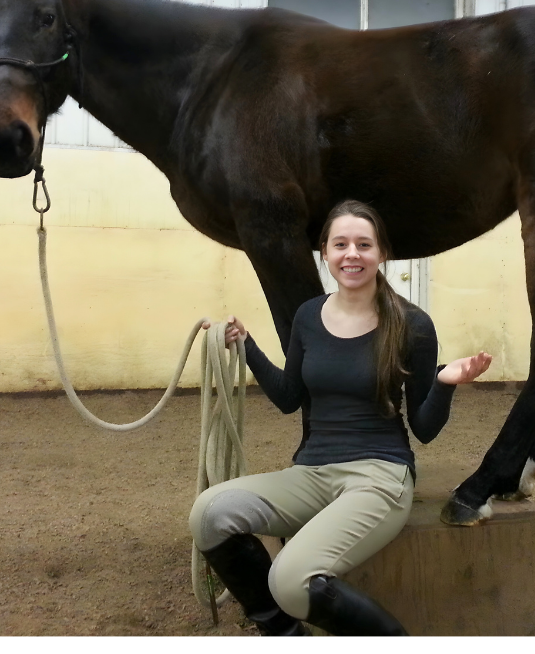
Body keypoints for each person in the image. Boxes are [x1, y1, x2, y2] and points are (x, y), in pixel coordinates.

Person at [190, 199, 492, 636]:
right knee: (209, 514)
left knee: (290, 581)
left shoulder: (413, 325)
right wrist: (247, 345)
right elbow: (289, 398)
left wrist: (445, 383)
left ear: (382, 253)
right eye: (341, 244)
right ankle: (285, 634)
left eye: (364, 244)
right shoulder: (308, 316)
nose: (352, 254)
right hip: (312, 472)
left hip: (380, 476)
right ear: (326, 253)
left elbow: (424, 429)